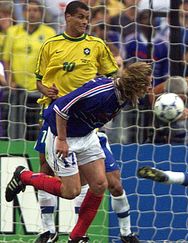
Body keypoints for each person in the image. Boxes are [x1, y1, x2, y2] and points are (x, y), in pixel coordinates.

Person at [5, 62, 152, 243]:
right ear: (136, 84)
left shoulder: (125, 94)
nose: (149, 88)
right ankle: (24, 176)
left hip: (87, 135)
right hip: (63, 134)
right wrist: (62, 139)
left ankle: (75, 238)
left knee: (99, 185)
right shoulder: (102, 93)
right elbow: (61, 108)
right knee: (71, 191)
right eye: (147, 84)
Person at [33, 1, 138, 242]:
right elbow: (38, 80)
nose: (85, 22)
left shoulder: (97, 45)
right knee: (47, 170)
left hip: (88, 125)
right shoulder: (51, 45)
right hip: (55, 117)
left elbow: (114, 78)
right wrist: (45, 90)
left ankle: (119, 233)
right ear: (67, 17)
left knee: (109, 181)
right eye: (80, 17)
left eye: (87, 18)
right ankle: (47, 230)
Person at [3, 0, 56, 140]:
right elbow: (6, 59)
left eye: (36, 10)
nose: (32, 13)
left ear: (41, 13)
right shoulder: (12, 32)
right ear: (24, 12)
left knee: (39, 125)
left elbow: (53, 61)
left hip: (40, 89)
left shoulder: (49, 33)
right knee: (16, 124)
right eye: (29, 10)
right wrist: (10, 81)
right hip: (18, 89)